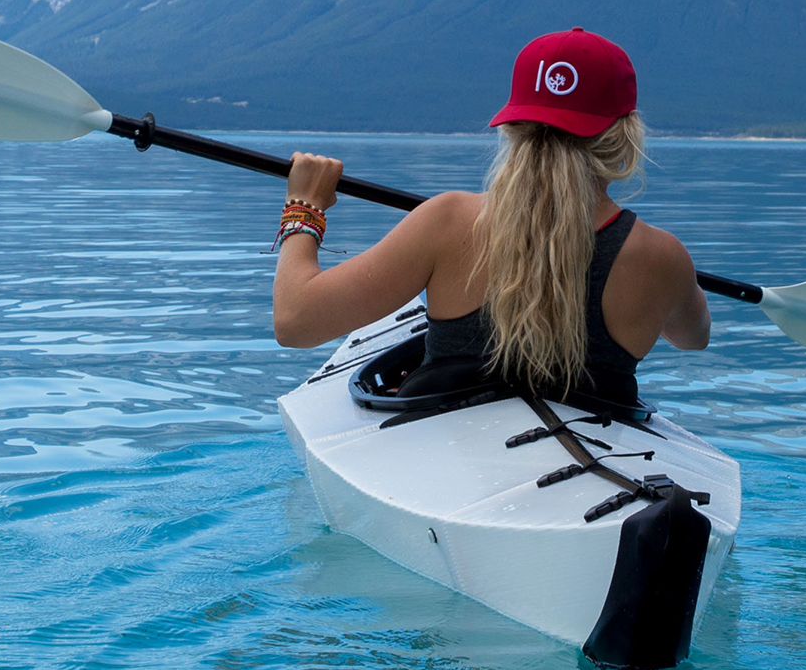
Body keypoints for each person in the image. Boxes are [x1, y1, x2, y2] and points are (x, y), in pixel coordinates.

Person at [271, 27, 709, 410]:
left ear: (512, 126)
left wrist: (304, 207)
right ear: (625, 137)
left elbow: (295, 322)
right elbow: (694, 337)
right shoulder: (661, 257)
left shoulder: (449, 221)